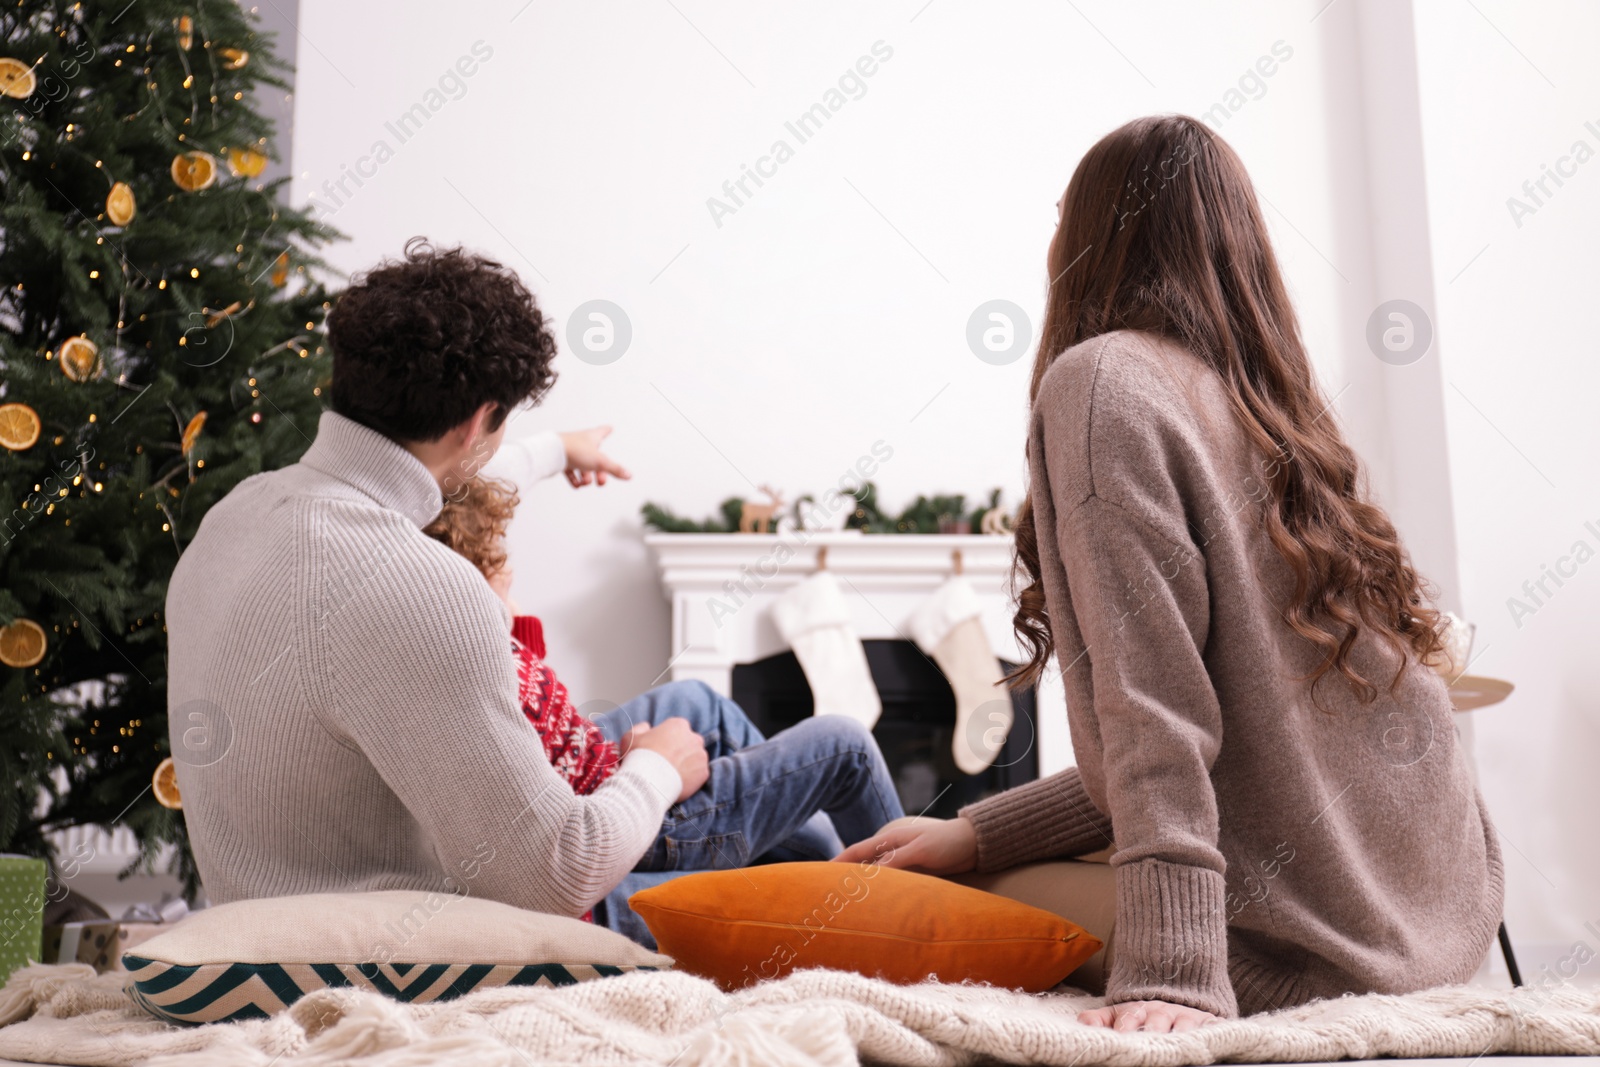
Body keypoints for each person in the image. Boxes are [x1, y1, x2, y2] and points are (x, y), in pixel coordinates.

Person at [839, 115, 1503, 1032]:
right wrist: (976, 829)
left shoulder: (1103, 382)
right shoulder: (1275, 412)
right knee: (965, 866)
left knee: (886, 911)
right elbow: (1235, 742)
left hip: (1311, 948)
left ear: (1092, 240)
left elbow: (1158, 713)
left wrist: (1177, 970)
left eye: (1063, 217)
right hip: (1439, 911)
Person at [165, 238, 897, 929]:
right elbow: (554, 876)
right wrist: (654, 770)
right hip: (423, 933)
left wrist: (555, 449)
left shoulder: (236, 518)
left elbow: (451, 481)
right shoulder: (424, 585)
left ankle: (835, 882)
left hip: (269, 903)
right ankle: (890, 917)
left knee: (694, 707)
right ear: (479, 421)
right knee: (823, 757)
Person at [422, 475, 904, 939]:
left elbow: (543, 726)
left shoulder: (465, 654)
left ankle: (814, 845)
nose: (507, 571)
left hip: (587, 779)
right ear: (466, 585)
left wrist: (506, 615)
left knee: (696, 700)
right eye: (494, 563)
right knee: (847, 745)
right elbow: (551, 787)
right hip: (612, 826)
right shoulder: (483, 666)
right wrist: (650, 768)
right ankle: (915, 904)